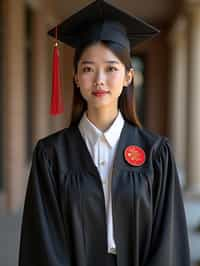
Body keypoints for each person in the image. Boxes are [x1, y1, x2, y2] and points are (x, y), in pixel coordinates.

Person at [18, 1, 191, 266]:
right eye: (88, 68)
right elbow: (43, 242)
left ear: (128, 77)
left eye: (111, 68)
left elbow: (167, 240)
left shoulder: (156, 152)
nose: (99, 79)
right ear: (76, 77)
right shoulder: (51, 155)